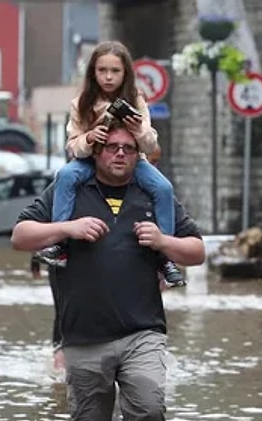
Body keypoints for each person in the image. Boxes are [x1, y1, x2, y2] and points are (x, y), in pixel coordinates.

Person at [11, 121, 205, 421]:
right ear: (96, 153)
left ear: (139, 155)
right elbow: (20, 235)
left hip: (143, 331)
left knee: (150, 411)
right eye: (112, 147)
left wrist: (164, 242)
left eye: (128, 149)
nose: (120, 154)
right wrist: (67, 228)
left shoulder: (152, 195)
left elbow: (197, 251)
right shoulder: (70, 192)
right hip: (83, 335)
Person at [35, 40, 186, 288]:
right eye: (102, 70)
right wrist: (89, 138)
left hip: (132, 160)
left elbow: (150, 146)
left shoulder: (136, 100)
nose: (108, 77)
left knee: (163, 188)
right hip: (91, 160)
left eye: (114, 71)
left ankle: (165, 258)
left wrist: (139, 131)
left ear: (125, 73)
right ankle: (59, 243)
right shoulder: (81, 102)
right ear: (93, 72)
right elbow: (72, 145)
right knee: (65, 176)